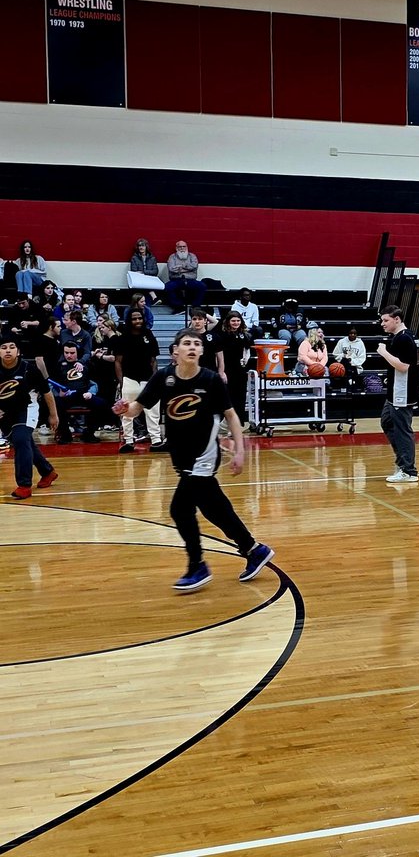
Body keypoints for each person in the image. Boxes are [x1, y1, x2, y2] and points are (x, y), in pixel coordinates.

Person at [113, 330, 273, 593]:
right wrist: (124, 409)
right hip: (181, 454)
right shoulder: (163, 378)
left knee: (179, 509)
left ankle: (197, 565)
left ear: (201, 352)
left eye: (197, 344)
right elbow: (136, 408)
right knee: (213, 507)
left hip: (204, 454)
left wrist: (241, 451)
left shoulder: (210, 380)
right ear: (175, 351)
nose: (192, 347)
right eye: (186, 343)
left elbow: (231, 416)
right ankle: (253, 549)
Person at [0, 333, 58, 498]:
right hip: (5, 412)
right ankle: (47, 472)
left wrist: (53, 415)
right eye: (3, 348)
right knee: (25, 443)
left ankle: (24, 485)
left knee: (20, 439)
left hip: (26, 408)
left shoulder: (29, 369)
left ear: (18, 351)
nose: (8, 351)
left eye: (12, 347)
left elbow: (47, 393)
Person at [377, 306, 419, 484]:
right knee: (387, 421)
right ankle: (402, 460)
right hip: (395, 390)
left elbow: (403, 366)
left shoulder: (404, 339)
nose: (382, 324)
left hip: (402, 392)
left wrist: (384, 352)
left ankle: (408, 470)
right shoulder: (399, 337)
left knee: (402, 429)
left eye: (386, 320)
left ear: (397, 319)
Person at [114, 308, 166, 454]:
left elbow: (153, 360)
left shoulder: (149, 335)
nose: (137, 321)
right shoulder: (123, 337)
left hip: (148, 379)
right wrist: (121, 381)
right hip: (129, 379)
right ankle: (129, 441)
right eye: (134, 319)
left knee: (152, 411)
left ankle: (156, 440)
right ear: (129, 321)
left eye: (139, 318)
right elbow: (118, 362)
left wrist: (155, 379)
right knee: (126, 410)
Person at [219, 311, 254, 421]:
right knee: (228, 395)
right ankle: (226, 421)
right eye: (233, 320)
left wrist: (245, 361)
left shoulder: (244, 335)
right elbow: (220, 354)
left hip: (240, 369)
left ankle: (240, 421)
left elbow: (247, 350)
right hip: (227, 368)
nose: (236, 323)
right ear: (228, 322)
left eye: (238, 320)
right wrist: (222, 370)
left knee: (240, 395)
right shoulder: (223, 335)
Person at [164, 240, 205, 311]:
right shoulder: (172, 257)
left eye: (184, 246)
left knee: (202, 286)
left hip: (191, 280)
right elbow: (171, 269)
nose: (182, 248)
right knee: (167, 287)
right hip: (176, 280)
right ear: (176, 248)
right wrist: (188, 269)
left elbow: (194, 266)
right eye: (180, 247)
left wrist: (180, 267)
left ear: (187, 247)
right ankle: (178, 307)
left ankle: (196, 307)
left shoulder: (192, 256)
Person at [332, 326, 367, 390]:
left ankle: (353, 385)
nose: (352, 335)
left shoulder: (360, 343)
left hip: (355, 366)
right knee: (342, 366)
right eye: (351, 333)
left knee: (351, 369)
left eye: (354, 333)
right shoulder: (341, 341)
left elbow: (362, 357)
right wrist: (343, 355)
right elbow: (335, 354)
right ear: (348, 333)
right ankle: (341, 385)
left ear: (357, 334)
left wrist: (352, 361)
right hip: (342, 365)